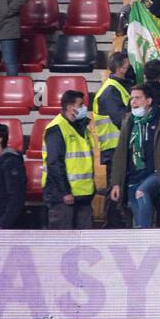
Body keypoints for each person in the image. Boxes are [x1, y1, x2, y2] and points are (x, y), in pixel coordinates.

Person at [109, 84, 160, 229]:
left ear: (149, 100)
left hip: (158, 173)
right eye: (132, 98)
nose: (133, 102)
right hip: (133, 178)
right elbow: (120, 154)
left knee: (142, 192)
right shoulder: (129, 121)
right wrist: (116, 183)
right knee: (139, 224)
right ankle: (144, 244)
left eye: (138, 98)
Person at [42, 90, 98, 229]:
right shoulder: (56, 129)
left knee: (84, 242)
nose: (84, 108)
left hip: (83, 194)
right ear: (69, 107)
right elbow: (55, 163)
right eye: (80, 105)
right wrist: (65, 191)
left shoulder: (82, 127)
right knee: (62, 241)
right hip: (63, 196)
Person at [91, 52, 135, 171]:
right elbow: (121, 120)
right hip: (115, 149)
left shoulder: (120, 86)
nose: (130, 67)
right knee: (116, 187)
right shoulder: (110, 91)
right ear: (121, 69)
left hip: (121, 145)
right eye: (128, 65)